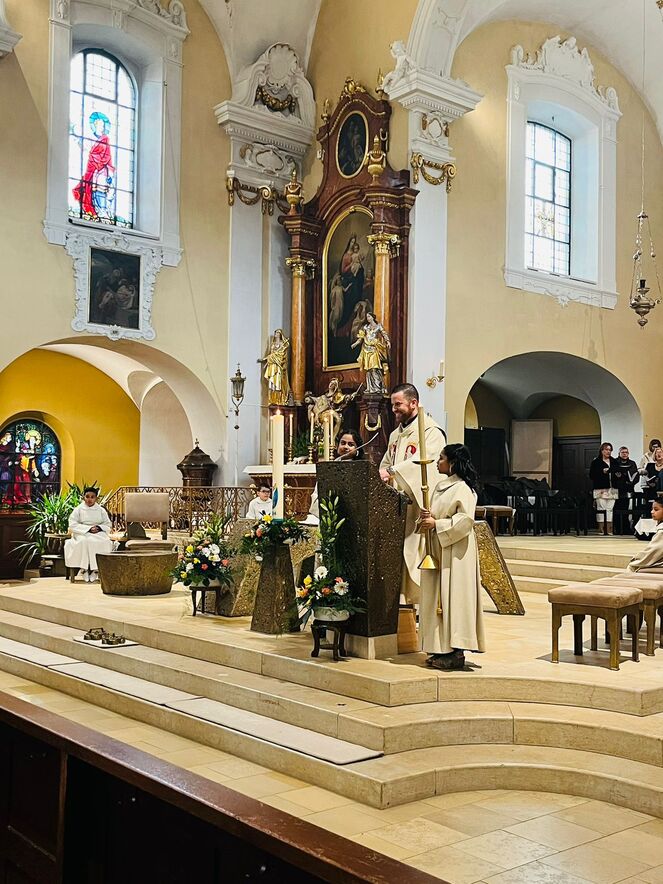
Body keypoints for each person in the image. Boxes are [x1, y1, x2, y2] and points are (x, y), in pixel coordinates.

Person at [395, 443, 485, 671]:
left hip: (456, 553)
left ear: (453, 463)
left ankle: (455, 651)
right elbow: (434, 516)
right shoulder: (439, 487)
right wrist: (426, 518)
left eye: (442, 458)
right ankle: (439, 647)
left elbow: (465, 521)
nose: (437, 462)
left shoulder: (463, 488)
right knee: (436, 599)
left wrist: (437, 524)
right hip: (438, 549)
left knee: (453, 599)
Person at [379, 383, 446, 604]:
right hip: (396, 506)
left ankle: (420, 603)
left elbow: (425, 465)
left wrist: (392, 472)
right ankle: (402, 602)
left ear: (413, 403)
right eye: (392, 405)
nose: (394, 409)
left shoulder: (431, 432)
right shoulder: (395, 435)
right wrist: (384, 475)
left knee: (415, 553)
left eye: (398, 404)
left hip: (418, 506)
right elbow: (386, 464)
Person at [307, 429, 364, 523]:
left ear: (357, 449)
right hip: (328, 517)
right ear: (337, 446)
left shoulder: (361, 470)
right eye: (343, 443)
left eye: (351, 444)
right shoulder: (329, 468)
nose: (345, 447)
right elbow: (318, 492)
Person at [64, 487, 114, 582]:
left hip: (98, 533)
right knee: (84, 541)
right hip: (82, 533)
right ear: (84, 497)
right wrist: (88, 529)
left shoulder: (101, 510)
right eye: (87, 496)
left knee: (104, 542)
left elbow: (108, 524)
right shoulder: (78, 509)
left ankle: (96, 570)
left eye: (92, 497)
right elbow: (72, 524)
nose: (89, 499)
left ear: (96, 498)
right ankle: (84, 569)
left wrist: (99, 528)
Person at [351, 312, 391, 394]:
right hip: (366, 350)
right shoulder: (366, 327)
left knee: (374, 367)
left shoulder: (378, 326)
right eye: (367, 317)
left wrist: (387, 341)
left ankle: (378, 386)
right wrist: (355, 344)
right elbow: (361, 338)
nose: (368, 318)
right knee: (369, 370)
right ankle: (370, 388)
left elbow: (384, 334)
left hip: (374, 349)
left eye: (369, 316)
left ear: (373, 317)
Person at [589, 442, 618, 535]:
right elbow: (591, 475)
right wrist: (602, 472)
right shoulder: (596, 462)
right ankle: (601, 529)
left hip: (612, 488)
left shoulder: (614, 461)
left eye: (610, 450)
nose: (608, 452)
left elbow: (618, 472)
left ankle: (609, 529)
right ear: (602, 451)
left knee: (610, 509)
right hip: (600, 488)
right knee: (601, 508)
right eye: (606, 449)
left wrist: (618, 475)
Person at [627, 497, 663, 571]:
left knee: (632, 567)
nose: (652, 512)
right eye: (652, 509)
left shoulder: (662, 532)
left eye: (656, 509)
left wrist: (637, 559)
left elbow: (652, 553)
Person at [259, 329, 291, 407]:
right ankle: (272, 400)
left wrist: (271, 357)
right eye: (275, 333)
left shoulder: (283, 344)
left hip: (278, 366)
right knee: (272, 384)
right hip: (272, 366)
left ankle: (279, 400)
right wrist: (267, 358)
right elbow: (272, 354)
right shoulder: (273, 344)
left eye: (278, 333)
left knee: (278, 384)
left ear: (280, 334)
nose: (276, 334)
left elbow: (281, 355)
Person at [613, 446, 638, 535]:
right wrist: (618, 476)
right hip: (616, 489)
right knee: (616, 509)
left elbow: (636, 475)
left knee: (625, 509)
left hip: (628, 488)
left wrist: (631, 481)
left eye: (626, 452)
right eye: (623, 452)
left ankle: (626, 529)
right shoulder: (615, 462)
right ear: (619, 453)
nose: (624, 454)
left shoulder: (632, 463)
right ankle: (617, 529)